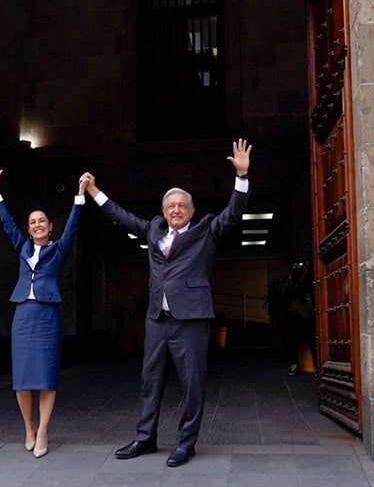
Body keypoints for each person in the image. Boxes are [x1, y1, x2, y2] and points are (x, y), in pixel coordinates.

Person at [81, 138, 252, 467]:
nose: (176, 210)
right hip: (157, 319)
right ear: (163, 211)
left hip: (191, 320)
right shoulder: (153, 230)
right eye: (171, 205)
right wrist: (94, 191)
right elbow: (122, 216)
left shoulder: (206, 230)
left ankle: (186, 444)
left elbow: (233, 214)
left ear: (192, 211)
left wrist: (241, 177)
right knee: (150, 381)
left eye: (182, 206)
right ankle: (145, 438)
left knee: (192, 384)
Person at [0, 164, 89, 458]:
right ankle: (28, 428)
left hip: (47, 317)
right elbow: (7, 222)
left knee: (46, 376)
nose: (37, 225)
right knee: (22, 378)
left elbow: (72, 225)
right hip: (23, 315)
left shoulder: (59, 249)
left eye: (42, 221)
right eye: (32, 222)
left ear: (50, 226)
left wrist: (80, 194)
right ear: (29, 228)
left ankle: (43, 429)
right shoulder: (21, 246)